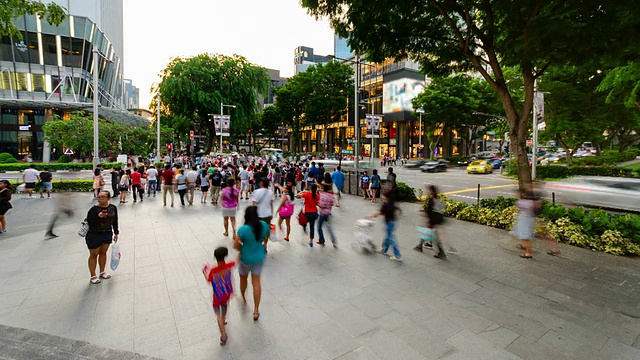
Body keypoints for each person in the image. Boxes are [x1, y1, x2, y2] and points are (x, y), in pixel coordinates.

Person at [234, 206, 269, 322]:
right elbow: (266, 238)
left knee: (243, 278)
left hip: (246, 258)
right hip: (259, 257)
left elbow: (236, 245)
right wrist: (263, 245)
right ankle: (256, 310)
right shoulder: (264, 225)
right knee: (256, 283)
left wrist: (242, 249)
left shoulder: (243, 229)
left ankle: (243, 297)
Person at [203, 246, 236, 346]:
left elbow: (209, 280)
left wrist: (205, 271)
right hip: (226, 294)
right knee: (225, 306)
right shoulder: (229, 265)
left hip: (217, 297)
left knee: (218, 315)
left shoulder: (213, 271)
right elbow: (236, 262)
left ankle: (223, 334)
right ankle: (224, 318)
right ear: (225, 256)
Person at [85, 190, 119, 284]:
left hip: (107, 233)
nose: (100, 199)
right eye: (99, 197)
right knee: (94, 254)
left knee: (103, 253)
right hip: (94, 234)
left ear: (108, 198)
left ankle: (102, 271)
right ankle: (93, 275)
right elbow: (90, 223)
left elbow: (115, 220)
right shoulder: (94, 209)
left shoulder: (113, 208)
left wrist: (116, 232)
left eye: (103, 197)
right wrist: (98, 217)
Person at [369, 189, 402, 261]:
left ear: (385, 197)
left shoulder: (385, 205)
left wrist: (370, 216)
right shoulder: (391, 202)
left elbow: (379, 213)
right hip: (393, 222)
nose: (381, 196)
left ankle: (397, 256)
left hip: (389, 223)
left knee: (391, 239)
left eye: (382, 195)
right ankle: (383, 250)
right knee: (387, 237)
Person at [416, 185, 447, 259]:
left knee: (434, 236)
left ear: (432, 192)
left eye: (429, 191)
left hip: (433, 220)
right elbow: (442, 209)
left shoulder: (432, 200)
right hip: (437, 220)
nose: (428, 192)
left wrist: (429, 221)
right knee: (427, 232)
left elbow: (429, 211)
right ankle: (419, 246)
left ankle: (441, 253)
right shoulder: (437, 199)